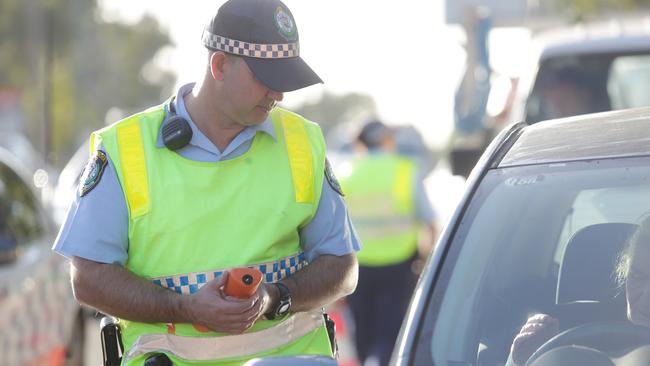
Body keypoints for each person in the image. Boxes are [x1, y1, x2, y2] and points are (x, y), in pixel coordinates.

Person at [52, 0, 360, 364]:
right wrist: (186, 309)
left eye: (285, 82)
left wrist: (274, 297)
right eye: (267, 80)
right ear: (219, 65)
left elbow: (342, 266)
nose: (278, 95)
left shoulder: (302, 142)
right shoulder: (125, 149)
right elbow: (87, 278)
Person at [338, 120, 437, 366]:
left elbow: (334, 228)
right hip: (399, 264)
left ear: (359, 143)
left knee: (363, 330)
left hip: (357, 267)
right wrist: (426, 262)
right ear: (388, 140)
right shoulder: (405, 170)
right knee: (391, 333)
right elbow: (429, 222)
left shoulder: (346, 173)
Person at [508, 216, 650, 365]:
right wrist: (530, 358)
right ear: (625, 275)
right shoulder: (566, 335)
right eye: (638, 276)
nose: (647, 295)